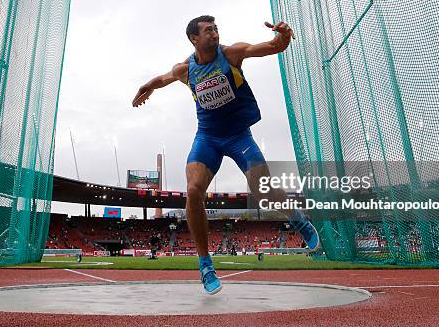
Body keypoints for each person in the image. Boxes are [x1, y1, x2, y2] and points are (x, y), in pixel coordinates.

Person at [132, 15, 319, 295]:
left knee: (264, 192)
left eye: (216, 28)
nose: (215, 33)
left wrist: (284, 36)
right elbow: (164, 78)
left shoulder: (231, 54)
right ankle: (205, 264)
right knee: (193, 190)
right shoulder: (185, 70)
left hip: (238, 136)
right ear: (194, 38)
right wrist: (146, 87)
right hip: (207, 138)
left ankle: (297, 219)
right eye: (208, 30)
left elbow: (271, 47)